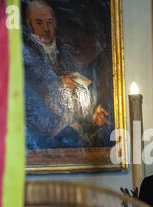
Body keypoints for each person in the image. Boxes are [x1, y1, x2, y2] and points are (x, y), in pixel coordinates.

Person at [23, 0, 112, 149]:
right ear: (29, 24)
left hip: (78, 137)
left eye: (50, 22)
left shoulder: (68, 50)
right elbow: (27, 92)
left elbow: (85, 87)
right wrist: (57, 83)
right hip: (43, 138)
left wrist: (94, 112)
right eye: (39, 23)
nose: (46, 28)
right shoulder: (23, 54)